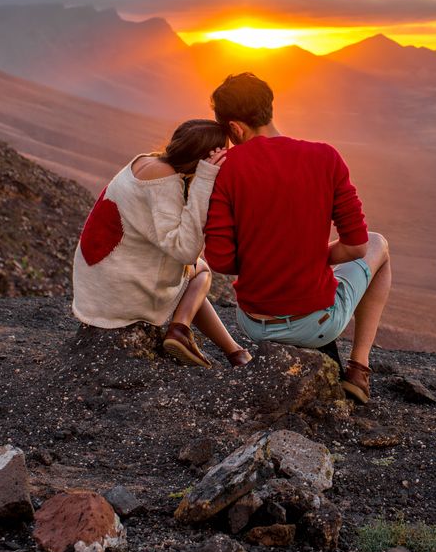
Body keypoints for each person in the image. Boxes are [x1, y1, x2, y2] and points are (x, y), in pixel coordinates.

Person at [204, 73, 391, 403]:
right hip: (315, 324)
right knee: (379, 245)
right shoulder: (325, 157)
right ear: (268, 108)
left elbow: (220, 260)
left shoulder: (226, 169)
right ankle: (359, 368)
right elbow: (357, 246)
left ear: (234, 128)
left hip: (254, 323)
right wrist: (313, 256)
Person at [71, 118, 251, 368]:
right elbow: (186, 252)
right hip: (117, 298)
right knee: (200, 271)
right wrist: (205, 181)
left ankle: (233, 352)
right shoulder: (164, 183)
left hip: (97, 286)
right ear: (204, 160)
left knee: (188, 279)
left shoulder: (147, 161)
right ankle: (181, 330)